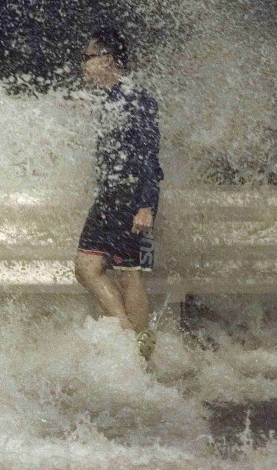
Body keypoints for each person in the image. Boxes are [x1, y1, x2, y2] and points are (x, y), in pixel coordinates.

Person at [75, 27, 164, 359]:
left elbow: (148, 155)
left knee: (103, 270)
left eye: (88, 57)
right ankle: (137, 344)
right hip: (118, 195)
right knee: (113, 270)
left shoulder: (130, 98)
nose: (83, 64)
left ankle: (133, 345)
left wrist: (146, 205)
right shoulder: (120, 96)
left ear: (107, 59)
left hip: (124, 197)